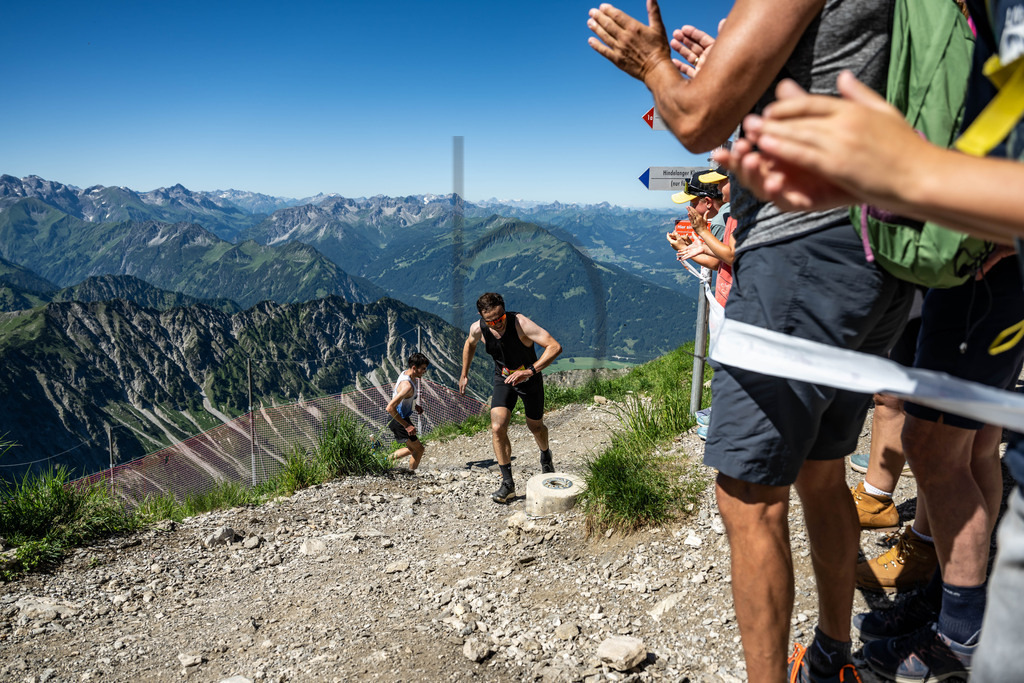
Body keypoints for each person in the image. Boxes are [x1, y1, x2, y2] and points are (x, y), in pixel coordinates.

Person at [589, 2, 914, 681]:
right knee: (822, 473)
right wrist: (753, 81)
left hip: (800, 253)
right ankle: (832, 657)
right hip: (877, 249)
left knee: (747, 495)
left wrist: (651, 64)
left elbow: (696, 118)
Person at [714, 2, 1024, 679]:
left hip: (948, 251)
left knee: (933, 446)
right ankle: (943, 610)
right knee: (953, 446)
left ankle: (957, 630)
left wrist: (931, 186)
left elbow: (698, 115)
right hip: (936, 244)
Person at [458, 293, 562, 504]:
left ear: (504, 311)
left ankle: (545, 455)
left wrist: (530, 371)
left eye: (500, 318)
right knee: (497, 427)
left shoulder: (520, 323)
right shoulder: (478, 328)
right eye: (492, 321)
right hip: (503, 379)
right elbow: (470, 344)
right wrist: (464, 373)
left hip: (529, 379)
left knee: (536, 427)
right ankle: (508, 484)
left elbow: (554, 346)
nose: (497, 324)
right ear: (482, 316)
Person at [385, 353, 429, 471]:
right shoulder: (407, 385)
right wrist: (407, 426)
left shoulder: (407, 374)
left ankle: (383, 460)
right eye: (423, 368)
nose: (425, 371)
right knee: (419, 449)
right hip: (399, 420)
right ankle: (411, 475)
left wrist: (415, 406)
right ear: (414, 368)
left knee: (412, 448)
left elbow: (405, 399)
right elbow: (389, 408)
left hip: (400, 418)